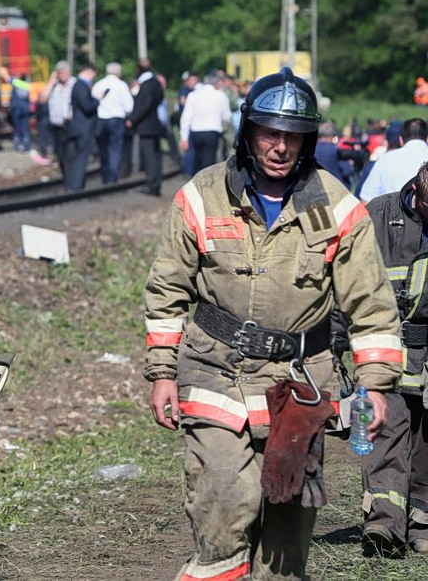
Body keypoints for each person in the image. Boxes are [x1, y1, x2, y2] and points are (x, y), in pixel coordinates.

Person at [145, 67, 402, 581]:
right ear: (248, 131)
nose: (280, 147)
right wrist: (162, 372)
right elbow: (167, 288)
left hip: (300, 384)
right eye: (269, 133)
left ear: (308, 140)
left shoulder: (336, 206)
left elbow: (371, 303)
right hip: (215, 370)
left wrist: (375, 385)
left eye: (293, 136)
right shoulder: (202, 195)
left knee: (287, 533)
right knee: (225, 502)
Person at [361, 161, 428, 557]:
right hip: (386, 347)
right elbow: (348, 281)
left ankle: (421, 521)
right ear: (417, 192)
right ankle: (384, 522)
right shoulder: (378, 215)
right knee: (385, 428)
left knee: (425, 440)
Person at [360, 117, 428, 201]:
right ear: (427, 138)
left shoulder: (385, 159)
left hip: (392, 208)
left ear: (401, 140)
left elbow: (366, 200)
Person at [126, 58, 165, 196]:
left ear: (139, 69)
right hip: (154, 124)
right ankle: (155, 183)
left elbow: (145, 105)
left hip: (146, 126)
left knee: (149, 157)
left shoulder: (147, 84)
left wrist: (133, 119)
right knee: (154, 156)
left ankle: (152, 184)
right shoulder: (156, 83)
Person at [92, 62, 135, 184]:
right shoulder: (122, 85)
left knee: (103, 149)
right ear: (119, 73)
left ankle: (105, 176)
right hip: (116, 120)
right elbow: (129, 106)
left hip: (100, 120)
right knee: (115, 149)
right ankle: (112, 176)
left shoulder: (98, 84)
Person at [180, 74, 232, 174]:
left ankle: (196, 177)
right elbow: (227, 116)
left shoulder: (193, 95)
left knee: (198, 159)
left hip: (196, 131)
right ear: (216, 83)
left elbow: (186, 117)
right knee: (209, 160)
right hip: (212, 131)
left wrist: (184, 137)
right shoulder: (221, 95)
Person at [61, 63, 99, 190]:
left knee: (79, 156)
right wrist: (98, 100)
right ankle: (76, 185)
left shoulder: (78, 85)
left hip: (79, 127)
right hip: (83, 128)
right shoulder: (80, 86)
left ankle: (76, 183)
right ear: (90, 72)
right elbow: (87, 106)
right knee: (81, 156)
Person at [313, 121, 353, 187]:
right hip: (333, 187)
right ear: (331, 137)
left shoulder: (311, 149)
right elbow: (347, 170)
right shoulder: (335, 150)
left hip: (314, 186)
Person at [9, 73, 32, 153]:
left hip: (17, 109)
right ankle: (27, 147)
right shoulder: (27, 85)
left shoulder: (16, 83)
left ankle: (17, 146)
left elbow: (10, 80)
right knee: (26, 128)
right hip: (25, 109)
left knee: (17, 128)